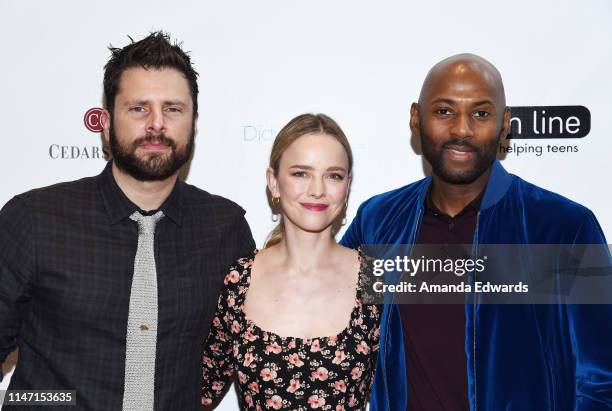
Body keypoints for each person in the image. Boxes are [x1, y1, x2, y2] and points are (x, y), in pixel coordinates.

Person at [341, 54, 612, 410]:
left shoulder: (564, 227)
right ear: (415, 118)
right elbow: (327, 321)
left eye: (481, 114)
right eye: (444, 111)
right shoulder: (378, 220)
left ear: (505, 124)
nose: (462, 130)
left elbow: (601, 379)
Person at [0, 32, 254, 410]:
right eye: (138, 108)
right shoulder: (34, 219)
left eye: (173, 109)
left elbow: (242, 354)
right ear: (105, 123)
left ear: (194, 123)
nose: (156, 125)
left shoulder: (226, 228)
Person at [201, 113, 381, 410]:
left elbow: (409, 382)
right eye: (301, 173)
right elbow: (200, 390)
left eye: (333, 175)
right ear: (274, 182)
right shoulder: (238, 280)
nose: (318, 189)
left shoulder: (374, 275)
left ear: (347, 185)